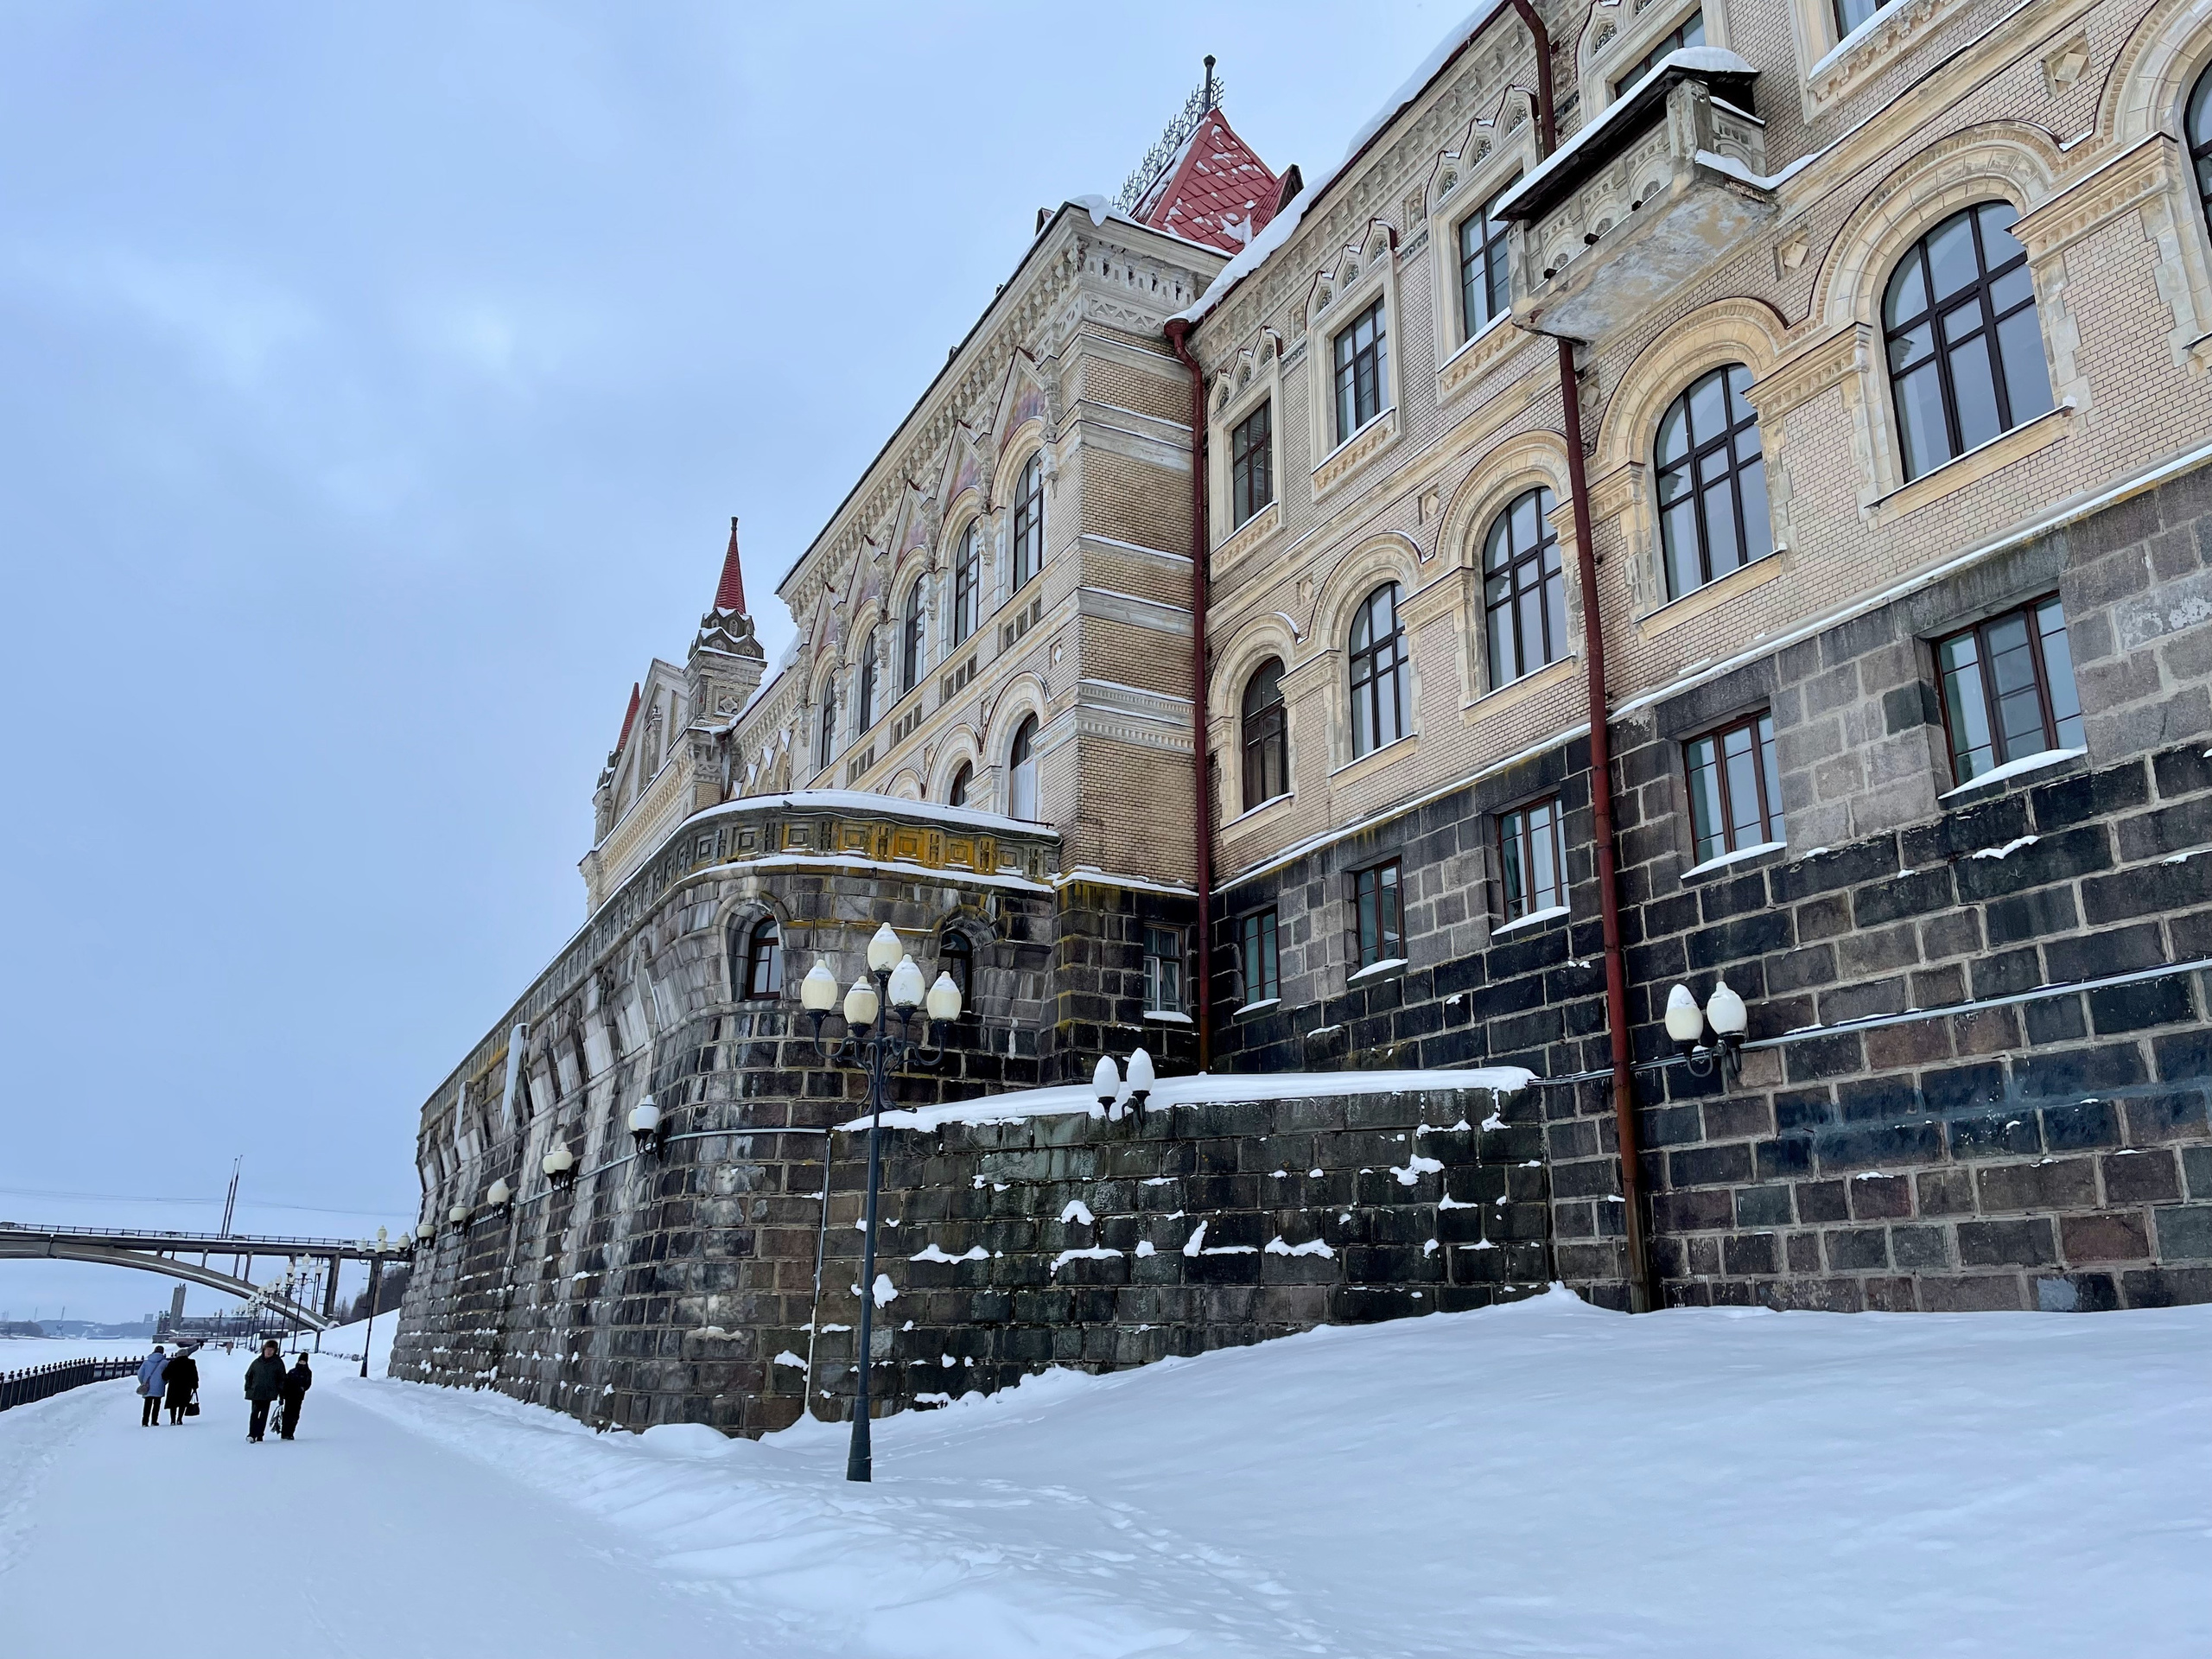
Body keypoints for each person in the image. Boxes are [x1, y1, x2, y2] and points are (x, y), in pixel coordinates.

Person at [243, 1339, 287, 1442]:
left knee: (263, 1414)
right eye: (268, 1349)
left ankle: (260, 1435)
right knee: (254, 1413)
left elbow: (282, 1378)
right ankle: (252, 1434)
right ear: (264, 1349)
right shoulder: (257, 1362)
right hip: (256, 1392)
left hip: (268, 1393)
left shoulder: (278, 1363)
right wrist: (248, 1388)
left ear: (275, 1351)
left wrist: (280, 1391)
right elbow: (249, 1375)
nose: (269, 1352)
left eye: (272, 1350)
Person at [278, 1352, 312, 1440]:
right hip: (289, 1396)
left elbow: (308, 1383)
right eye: (301, 1361)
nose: (302, 1363)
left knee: (295, 1415)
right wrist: (282, 1395)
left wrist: (303, 1388)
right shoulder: (292, 1372)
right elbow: (285, 1384)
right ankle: (284, 1433)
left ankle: (290, 1433)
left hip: (298, 1397)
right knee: (287, 1415)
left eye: (304, 1362)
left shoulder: (308, 1372)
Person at [162, 1345, 200, 1426]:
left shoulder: (172, 1363)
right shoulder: (191, 1363)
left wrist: (168, 1379)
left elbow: (165, 1375)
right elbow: (194, 1375)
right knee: (183, 1403)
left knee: (173, 1404)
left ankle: (172, 1420)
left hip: (174, 1386)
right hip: (186, 1386)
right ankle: (179, 1419)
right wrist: (195, 1386)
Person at [135, 1344, 168, 1427]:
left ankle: (145, 1422)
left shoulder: (146, 1362)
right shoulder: (165, 1363)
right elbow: (167, 1375)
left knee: (147, 1404)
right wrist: (164, 1382)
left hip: (148, 1385)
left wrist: (143, 1382)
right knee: (157, 1404)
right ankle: (154, 1421)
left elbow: (140, 1373)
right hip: (159, 1385)